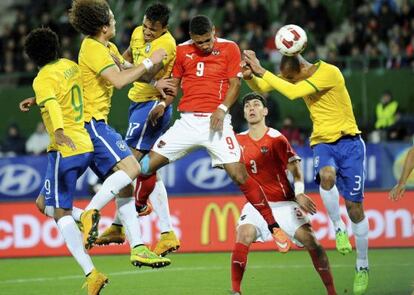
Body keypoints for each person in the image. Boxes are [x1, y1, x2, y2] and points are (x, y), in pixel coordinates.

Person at [20, 0, 170, 269]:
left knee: (119, 183)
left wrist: (154, 81)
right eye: (112, 18)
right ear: (103, 26)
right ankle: (91, 212)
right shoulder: (92, 48)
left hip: (93, 123)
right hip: (90, 123)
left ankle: (135, 247)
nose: (115, 20)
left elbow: (125, 70)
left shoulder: (106, 48)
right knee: (133, 168)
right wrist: (151, 61)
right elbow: (120, 81)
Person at [139, 15, 291, 252]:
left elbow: (235, 85)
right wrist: (161, 105)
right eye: (199, 42)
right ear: (191, 38)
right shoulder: (181, 52)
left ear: (214, 31)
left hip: (217, 124)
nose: (205, 46)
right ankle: (140, 204)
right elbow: (173, 87)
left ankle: (273, 226)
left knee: (240, 175)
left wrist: (221, 110)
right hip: (187, 122)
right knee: (145, 166)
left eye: (208, 40)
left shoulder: (230, 48)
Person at [242, 49, 369, 295]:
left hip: (350, 142)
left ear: (300, 69)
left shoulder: (329, 72)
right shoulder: (296, 75)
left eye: (291, 76)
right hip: (323, 141)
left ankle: (362, 265)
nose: (289, 79)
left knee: (355, 209)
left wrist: (262, 69)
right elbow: (265, 85)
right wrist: (250, 76)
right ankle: (338, 227)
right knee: (326, 177)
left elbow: (291, 92)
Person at [23, 27, 107, 295]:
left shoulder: (42, 78)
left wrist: (58, 131)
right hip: (84, 145)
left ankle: (91, 274)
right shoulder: (69, 66)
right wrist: (37, 100)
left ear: (32, 56)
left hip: (64, 148)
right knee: (41, 203)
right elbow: (63, 94)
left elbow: (56, 106)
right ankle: (85, 216)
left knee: (60, 213)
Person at [95, 2, 180, 257]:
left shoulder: (166, 45)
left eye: (152, 29)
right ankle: (167, 234)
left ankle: (119, 223)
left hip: (150, 106)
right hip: (137, 104)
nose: (146, 32)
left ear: (164, 28)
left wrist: (162, 102)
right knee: (147, 169)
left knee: (127, 164)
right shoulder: (136, 33)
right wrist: (119, 62)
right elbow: (128, 59)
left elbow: (146, 73)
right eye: (145, 26)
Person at [231, 92, 336, 295]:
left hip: (284, 204)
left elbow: (294, 167)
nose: (251, 108)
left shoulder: (276, 138)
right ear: (244, 113)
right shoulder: (236, 141)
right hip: (256, 205)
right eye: (247, 106)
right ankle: (236, 291)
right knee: (243, 234)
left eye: (255, 105)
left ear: (265, 111)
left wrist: (299, 193)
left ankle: (332, 291)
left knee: (312, 241)